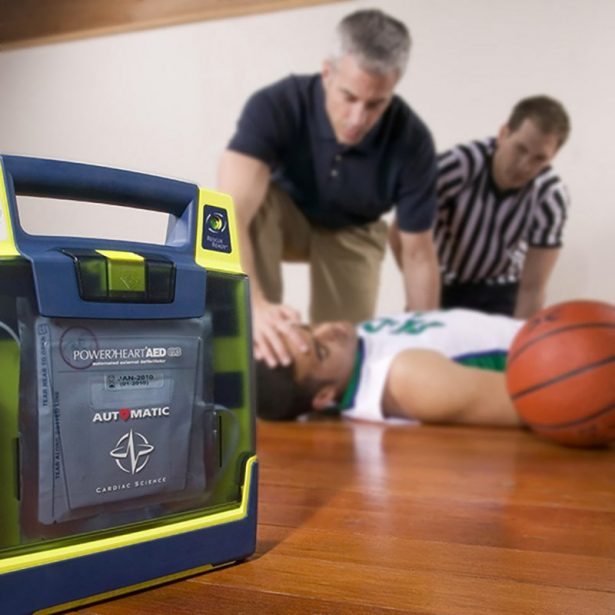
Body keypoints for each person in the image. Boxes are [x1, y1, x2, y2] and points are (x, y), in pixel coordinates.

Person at [218, 9, 440, 369]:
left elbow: (417, 254)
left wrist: (426, 336)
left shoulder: (413, 142)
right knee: (248, 206)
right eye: (349, 97)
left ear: (393, 88)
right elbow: (228, 212)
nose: (358, 119)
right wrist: (253, 305)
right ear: (327, 73)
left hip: (356, 228)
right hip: (286, 216)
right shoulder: (276, 105)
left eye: (375, 104)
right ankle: (257, 336)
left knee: (340, 359)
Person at [390, 95, 571, 318]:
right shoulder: (456, 167)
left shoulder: (550, 195)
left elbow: (532, 288)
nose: (525, 165)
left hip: (502, 288)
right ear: (504, 134)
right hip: (443, 283)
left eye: (539, 159)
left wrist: (521, 345)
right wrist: (418, 289)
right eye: (520, 149)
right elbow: (399, 231)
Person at [255, 309, 524, 427]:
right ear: (324, 396)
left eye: (309, 328)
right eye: (321, 351)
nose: (326, 330)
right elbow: (537, 404)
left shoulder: (356, 348)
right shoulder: (404, 379)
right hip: (554, 350)